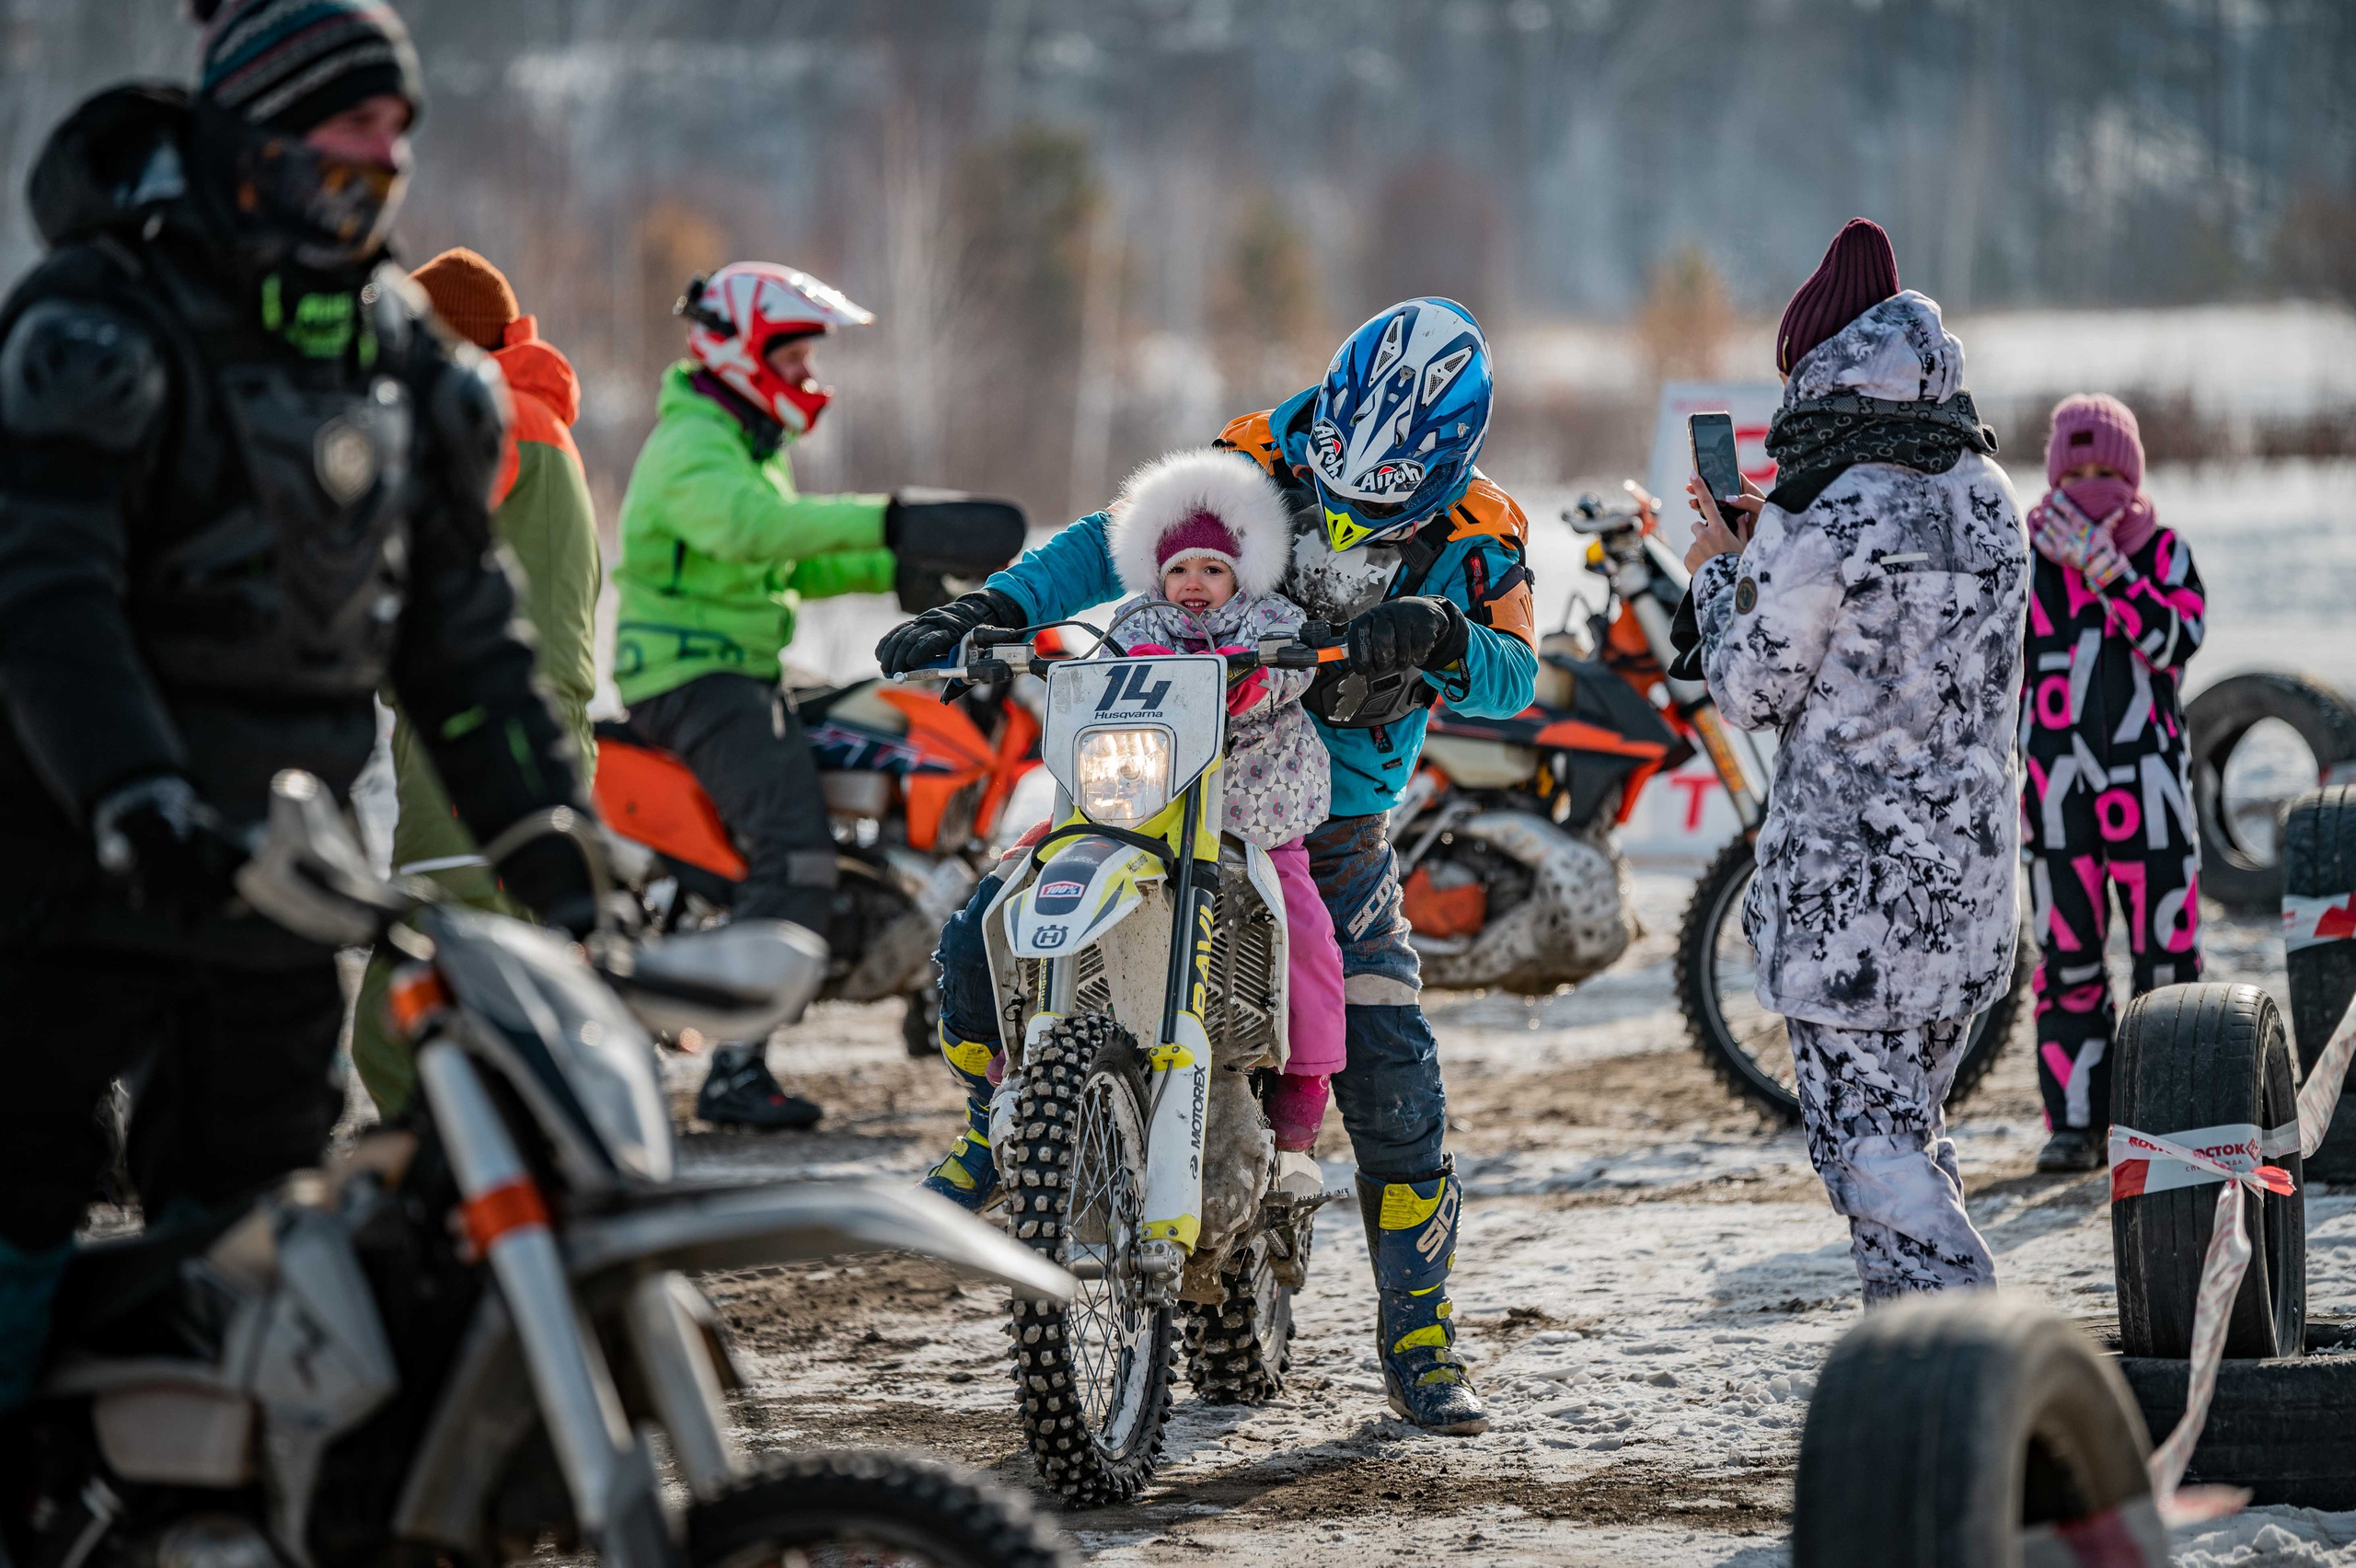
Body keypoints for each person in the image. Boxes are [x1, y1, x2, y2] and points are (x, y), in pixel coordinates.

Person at [0, 0, 597, 1410]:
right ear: (256, 125)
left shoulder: (400, 356)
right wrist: (132, 794)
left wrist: (546, 829)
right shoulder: (99, 315)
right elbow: (47, 596)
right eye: (350, 124)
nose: (381, 157)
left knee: (255, 1230)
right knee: (22, 1219)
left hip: (280, 874)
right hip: (66, 863)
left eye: (398, 132)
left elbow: (465, 635)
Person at [881, 297, 1538, 1435]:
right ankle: (1003, 1111)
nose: (1343, 507)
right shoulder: (1253, 452)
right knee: (989, 915)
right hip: (1159, 774)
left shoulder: (1484, 530)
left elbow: (1515, 678)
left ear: (1447, 465)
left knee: (1385, 1051)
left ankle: (1421, 1330)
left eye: (1378, 499)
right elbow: (1112, 538)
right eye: (1334, 480)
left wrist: (1443, 635)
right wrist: (994, 604)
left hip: (1325, 818)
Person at [1684, 218, 2027, 1303]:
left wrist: (1718, 574)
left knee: (1870, 1157)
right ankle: (1923, 1375)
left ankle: (1962, 1355)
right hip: (1967, 888)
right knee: (1907, 1143)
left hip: (1853, 907)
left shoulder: (1825, 509)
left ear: (1818, 368)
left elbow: (1748, 686)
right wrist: (1765, 555)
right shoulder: (1987, 491)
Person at [611, 262, 1024, 1130]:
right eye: (795, 359)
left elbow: (791, 558)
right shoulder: (694, 445)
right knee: (791, 848)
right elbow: (753, 530)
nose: (809, 378)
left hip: (739, 667)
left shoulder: (744, 444)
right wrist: (892, 520)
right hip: (691, 680)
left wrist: (910, 570)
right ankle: (734, 1067)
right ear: (741, 352)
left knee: (877, 728)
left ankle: (907, 941)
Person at [918, 449, 1347, 1208]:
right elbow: (1102, 670)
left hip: (1248, 820)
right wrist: (1006, 647)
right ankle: (997, 1100)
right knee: (1000, 897)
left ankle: (1299, 1112)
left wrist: (1257, 671)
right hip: (1122, 814)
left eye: (1213, 569)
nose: (1195, 584)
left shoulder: (1268, 621)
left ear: (1242, 570)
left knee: (1307, 936)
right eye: (1180, 568)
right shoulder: (1134, 621)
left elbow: (1297, 666)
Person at [351, 246, 604, 1119]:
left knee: (420, 959)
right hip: (540, 717)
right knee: (515, 965)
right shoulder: (544, 422)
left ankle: (437, 1171)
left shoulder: (493, 416)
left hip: (474, 722)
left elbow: (410, 541)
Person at [2020, 395, 2206, 1172]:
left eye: (2106, 472)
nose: (2090, 487)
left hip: (2151, 784)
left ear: (2130, 474)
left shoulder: (2161, 551)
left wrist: (2111, 572)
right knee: (2067, 959)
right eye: (2076, 472)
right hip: (2056, 791)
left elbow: (2177, 637)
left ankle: (2169, 1113)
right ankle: (2075, 1119)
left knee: (2167, 957)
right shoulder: (2026, 562)